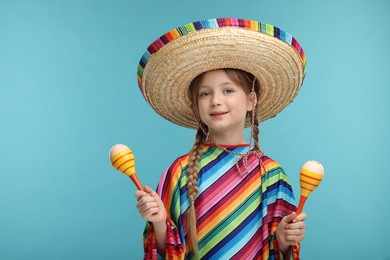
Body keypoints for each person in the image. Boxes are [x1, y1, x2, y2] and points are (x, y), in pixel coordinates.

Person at [134, 18, 307, 259]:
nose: (216, 100)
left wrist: (284, 239)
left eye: (228, 90)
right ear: (197, 105)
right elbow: (164, 252)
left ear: (251, 100)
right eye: (205, 93)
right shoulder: (180, 172)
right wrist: (160, 222)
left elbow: (279, 251)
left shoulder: (272, 174)